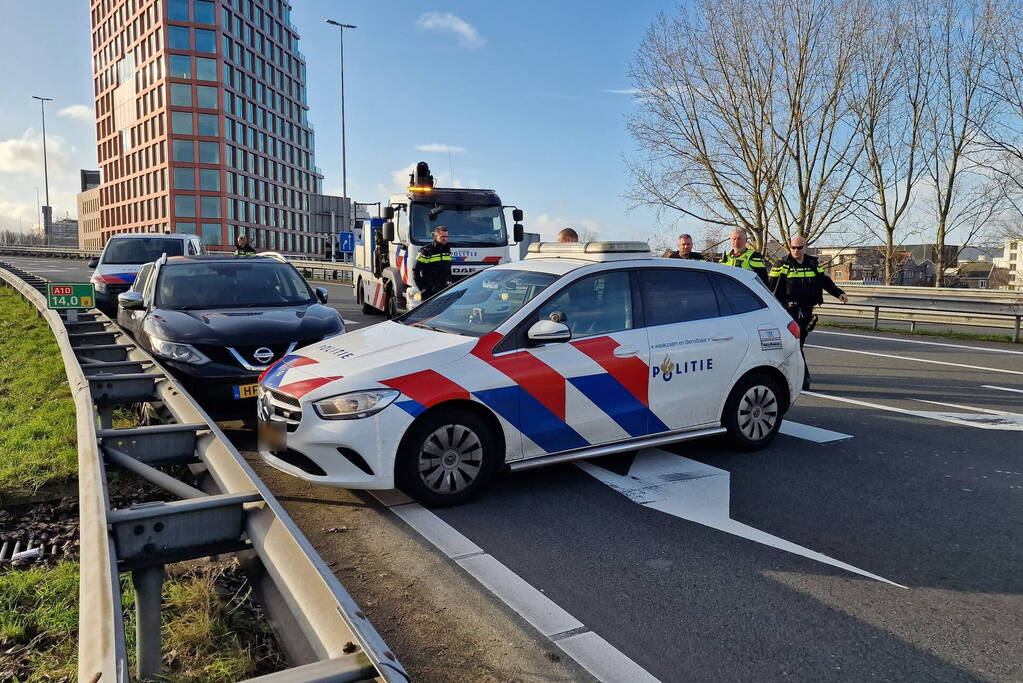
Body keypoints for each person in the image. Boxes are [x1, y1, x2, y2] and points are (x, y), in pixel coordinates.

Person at [769, 235, 849, 389]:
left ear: (805, 247)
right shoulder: (782, 264)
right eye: (793, 247)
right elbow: (771, 287)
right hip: (788, 311)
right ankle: (803, 378)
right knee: (795, 344)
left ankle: (790, 374)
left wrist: (838, 293)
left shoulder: (812, 263)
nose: (796, 250)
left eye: (799, 247)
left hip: (806, 311)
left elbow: (824, 280)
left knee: (799, 344)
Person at [413, 225, 452, 299]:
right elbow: (415, 270)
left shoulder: (447, 249)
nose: (445, 239)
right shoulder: (426, 250)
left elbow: (448, 268)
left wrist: (450, 281)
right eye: (442, 237)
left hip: (445, 289)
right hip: (429, 290)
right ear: (435, 236)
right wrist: (422, 288)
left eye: (446, 237)